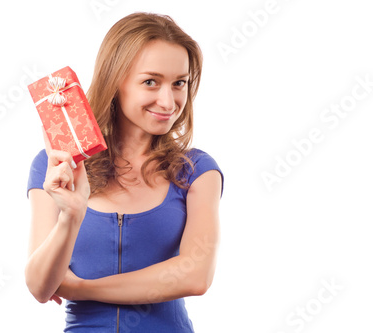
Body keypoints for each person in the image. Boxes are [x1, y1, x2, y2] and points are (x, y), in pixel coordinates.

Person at [25, 12, 224, 332]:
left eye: (179, 83)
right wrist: (71, 216)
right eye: (151, 81)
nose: (168, 100)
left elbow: (195, 275)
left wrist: (79, 288)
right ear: (115, 81)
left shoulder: (196, 170)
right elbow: (39, 285)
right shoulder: (58, 166)